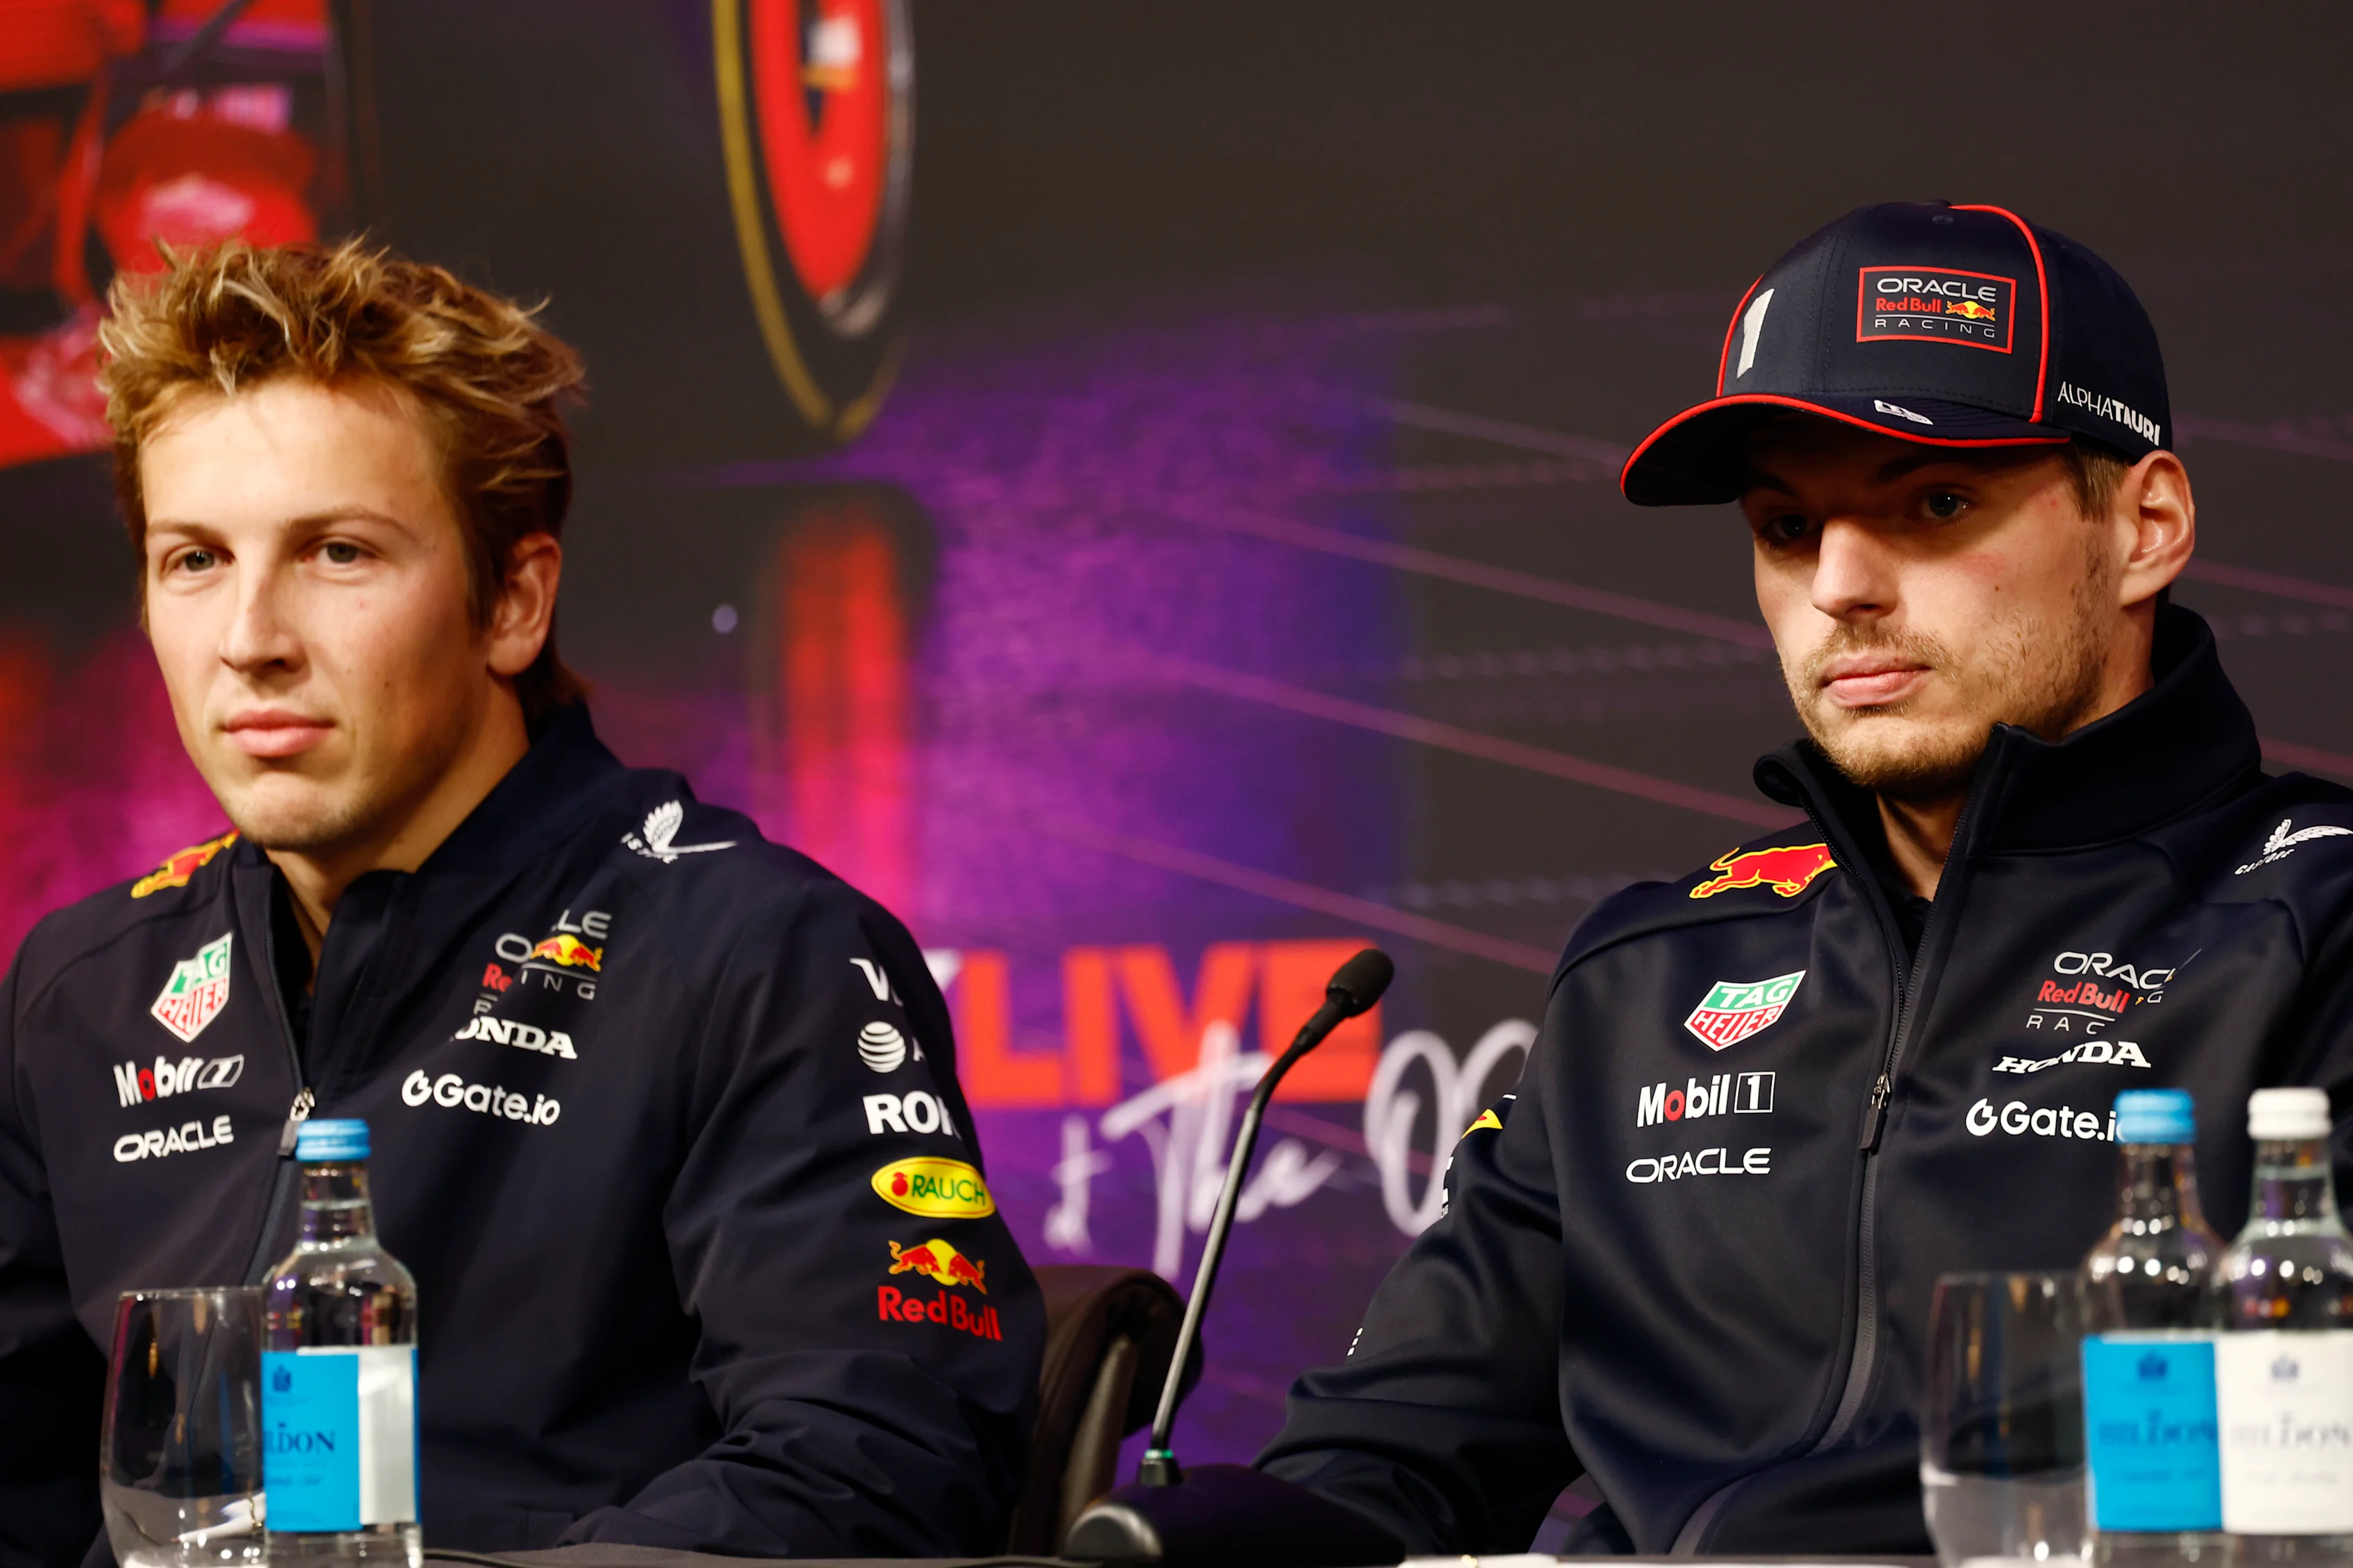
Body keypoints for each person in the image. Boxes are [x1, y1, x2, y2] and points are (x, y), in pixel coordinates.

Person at [1259, 200, 2353, 1554]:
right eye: (1785, 526)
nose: (1839, 583)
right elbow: (1388, 1446)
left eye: (1934, 503)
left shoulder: (2313, 928)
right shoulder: (1647, 970)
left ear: (2145, 525)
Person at [0, 239, 1041, 1567]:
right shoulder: (80, 985)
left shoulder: (754, 954)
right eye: (193, 560)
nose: (249, 637)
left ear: (514, 602)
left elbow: (879, 1465)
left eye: (336, 552)